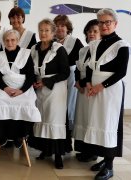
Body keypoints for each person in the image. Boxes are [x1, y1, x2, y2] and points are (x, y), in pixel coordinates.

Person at [83, 8, 131, 180]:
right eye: (101, 22)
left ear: (115, 23)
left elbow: (121, 72)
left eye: (107, 22)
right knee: (97, 123)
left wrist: (100, 86)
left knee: (109, 126)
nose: (104, 25)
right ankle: (103, 159)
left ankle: (110, 167)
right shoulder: (95, 44)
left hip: (110, 91)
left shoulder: (122, 46)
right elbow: (89, 67)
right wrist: (89, 83)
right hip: (95, 89)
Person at [29, 18, 70, 169]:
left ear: (53, 33)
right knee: (42, 118)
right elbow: (30, 69)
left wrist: (46, 82)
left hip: (55, 90)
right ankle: (45, 150)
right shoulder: (34, 49)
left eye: (47, 30)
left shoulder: (59, 49)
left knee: (53, 120)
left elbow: (65, 72)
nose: (43, 33)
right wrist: (34, 80)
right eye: (41, 30)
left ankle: (58, 155)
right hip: (39, 89)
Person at [0, 30, 41, 149]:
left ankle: (21, 135)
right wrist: (5, 88)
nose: (10, 42)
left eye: (13, 40)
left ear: (17, 41)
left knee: (27, 102)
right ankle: (1, 135)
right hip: (4, 87)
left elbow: (30, 76)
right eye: (7, 40)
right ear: (3, 41)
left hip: (22, 88)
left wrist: (21, 90)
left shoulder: (26, 54)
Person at [53, 15, 84, 153]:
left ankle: (67, 142)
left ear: (68, 28)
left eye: (62, 26)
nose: (59, 28)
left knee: (68, 109)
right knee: (55, 109)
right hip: (54, 79)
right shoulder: (50, 41)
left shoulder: (75, 42)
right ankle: (54, 141)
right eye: (57, 26)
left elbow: (82, 62)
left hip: (70, 79)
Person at [73, 19, 101, 163]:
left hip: (92, 89)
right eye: (89, 31)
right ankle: (84, 150)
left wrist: (83, 83)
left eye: (95, 31)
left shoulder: (100, 50)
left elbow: (92, 71)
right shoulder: (83, 50)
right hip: (82, 89)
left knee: (92, 120)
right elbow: (79, 68)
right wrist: (78, 81)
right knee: (82, 119)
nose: (91, 34)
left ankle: (93, 152)